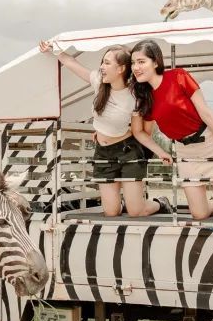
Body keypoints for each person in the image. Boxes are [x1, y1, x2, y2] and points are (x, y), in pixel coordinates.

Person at [39, 40, 173, 218]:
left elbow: (138, 132)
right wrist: (54, 50)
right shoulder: (98, 82)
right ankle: (129, 201)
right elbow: (72, 63)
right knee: (111, 211)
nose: (101, 67)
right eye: (102, 62)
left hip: (128, 151)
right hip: (103, 152)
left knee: (136, 212)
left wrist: (160, 151)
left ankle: (160, 203)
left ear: (121, 69)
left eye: (107, 63)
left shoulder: (135, 97)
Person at [129, 39, 213, 220]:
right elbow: (139, 132)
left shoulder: (178, 76)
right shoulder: (143, 97)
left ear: (155, 62)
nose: (136, 67)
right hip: (185, 151)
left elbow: (206, 113)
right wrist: (161, 152)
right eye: (133, 63)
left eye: (141, 61)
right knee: (199, 215)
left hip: (210, 142)